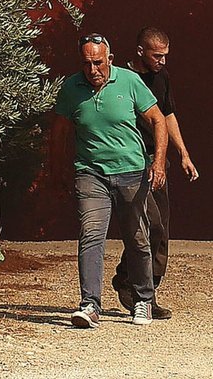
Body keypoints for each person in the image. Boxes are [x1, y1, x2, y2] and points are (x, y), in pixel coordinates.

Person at [53, 32, 169, 327]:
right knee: (91, 235)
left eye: (98, 63)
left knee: (137, 237)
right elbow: (59, 132)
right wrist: (58, 170)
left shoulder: (129, 82)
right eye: (87, 63)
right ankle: (90, 305)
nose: (92, 70)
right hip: (90, 173)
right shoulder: (71, 87)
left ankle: (143, 300)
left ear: (110, 59)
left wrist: (158, 162)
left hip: (131, 171)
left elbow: (158, 120)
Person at [113, 26, 199, 316]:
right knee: (148, 226)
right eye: (157, 55)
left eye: (165, 55)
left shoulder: (161, 77)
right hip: (130, 164)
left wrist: (183, 154)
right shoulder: (122, 79)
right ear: (140, 52)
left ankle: (146, 292)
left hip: (157, 161)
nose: (162, 61)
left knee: (161, 230)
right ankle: (132, 286)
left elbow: (168, 115)